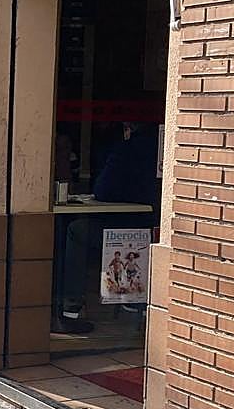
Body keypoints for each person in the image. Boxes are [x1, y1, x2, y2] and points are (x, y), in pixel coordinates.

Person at [56, 122, 159, 333]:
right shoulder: (166, 148)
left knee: (76, 231)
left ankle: (70, 310)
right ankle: (134, 303)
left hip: (122, 226)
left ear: (129, 129)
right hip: (154, 229)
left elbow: (104, 189)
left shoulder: (127, 149)